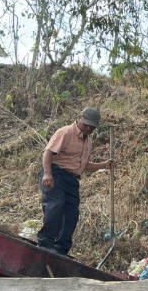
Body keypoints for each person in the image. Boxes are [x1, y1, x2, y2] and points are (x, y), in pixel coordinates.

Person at [37, 107, 113, 256]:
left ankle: (61, 248)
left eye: (92, 127)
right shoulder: (65, 132)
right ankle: (45, 242)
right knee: (55, 205)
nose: (88, 128)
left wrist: (104, 165)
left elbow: (83, 165)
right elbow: (48, 152)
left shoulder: (88, 142)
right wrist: (47, 174)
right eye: (86, 124)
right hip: (56, 173)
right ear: (79, 118)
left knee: (72, 213)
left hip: (72, 180)